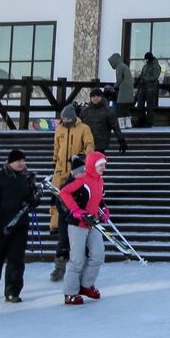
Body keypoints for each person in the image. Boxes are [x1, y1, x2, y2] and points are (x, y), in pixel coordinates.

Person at [0, 149, 38, 302]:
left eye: (23, 160)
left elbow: (32, 200)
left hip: (20, 225)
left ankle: (13, 291)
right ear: (10, 162)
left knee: (16, 259)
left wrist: (34, 200)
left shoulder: (27, 178)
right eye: (18, 161)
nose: (21, 163)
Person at [49, 104, 94, 279]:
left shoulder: (84, 128)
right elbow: (56, 147)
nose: (66, 122)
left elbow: (90, 145)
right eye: (64, 119)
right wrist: (55, 161)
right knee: (57, 201)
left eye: (68, 119)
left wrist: (83, 156)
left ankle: (81, 264)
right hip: (61, 171)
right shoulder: (59, 130)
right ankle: (54, 224)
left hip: (77, 170)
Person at [58, 151, 108, 305]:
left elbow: (97, 198)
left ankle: (86, 285)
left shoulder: (100, 180)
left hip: (92, 224)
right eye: (100, 165)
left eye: (104, 165)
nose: (103, 168)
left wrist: (104, 209)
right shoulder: (82, 180)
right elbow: (64, 192)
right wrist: (76, 210)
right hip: (77, 224)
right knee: (77, 259)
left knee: (98, 255)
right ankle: (70, 292)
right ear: (92, 165)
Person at [50, 152, 86, 281]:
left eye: (83, 171)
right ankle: (59, 268)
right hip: (66, 220)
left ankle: (80, 270)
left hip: (81, 221)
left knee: (80, 246)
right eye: (79, 172)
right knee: (64, 243)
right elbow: (59, 202)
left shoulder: (85, 183)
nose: (82, 174)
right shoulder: (66, 185)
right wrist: (70, 211)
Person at [79, 86, 127, 155]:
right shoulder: (84, 111)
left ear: (101, 97)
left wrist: (122, 141)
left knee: (99, 163)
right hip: (87, 143)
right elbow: (79, 127)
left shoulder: (108, 111)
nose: (95, 98)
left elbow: (115, 127)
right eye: (93, 96)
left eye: (98, 96)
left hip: (101, 144)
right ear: (90, 98)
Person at [135, 52, 162, 128]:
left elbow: (155, 76)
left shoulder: (156, 66)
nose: (146, 60)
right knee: (140, 105)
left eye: (147, 59)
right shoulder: (145, 66)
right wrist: (138, 79)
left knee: (149, 106)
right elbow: (142, 75)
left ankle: (149, 122)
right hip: (142, 87)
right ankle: (140, 121)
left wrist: (145, 79)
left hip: (150, 88)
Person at [108, 53, 135, 127]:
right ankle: (129, 125)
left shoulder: (119, 67)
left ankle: (121, 125)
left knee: (120, 109)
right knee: (126, 110)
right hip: (129, 91)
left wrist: (114, 87)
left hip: (123, 91)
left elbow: (119, 79)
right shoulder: (125, 66)